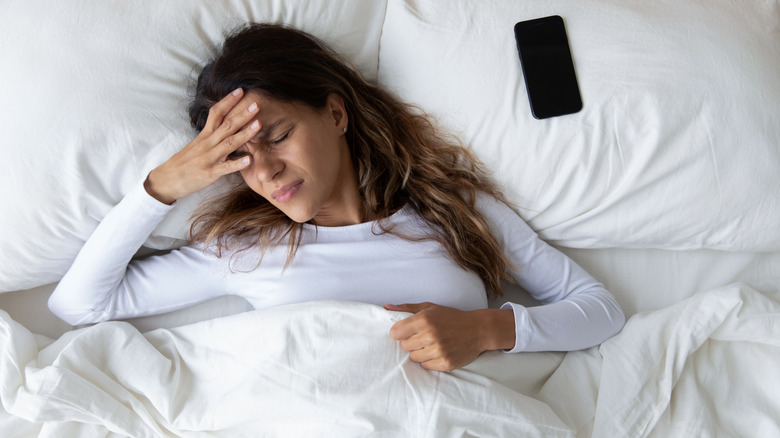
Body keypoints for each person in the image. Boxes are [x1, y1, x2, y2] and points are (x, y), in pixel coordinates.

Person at [48, 23, 625, 372]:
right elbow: (79, 306)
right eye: (241, 160)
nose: (268, 172)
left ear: (335, 111)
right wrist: (164, 187)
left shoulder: (451, 211)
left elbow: (599, 310)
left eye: (277, 136)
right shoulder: (245, 250)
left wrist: (484, 330)